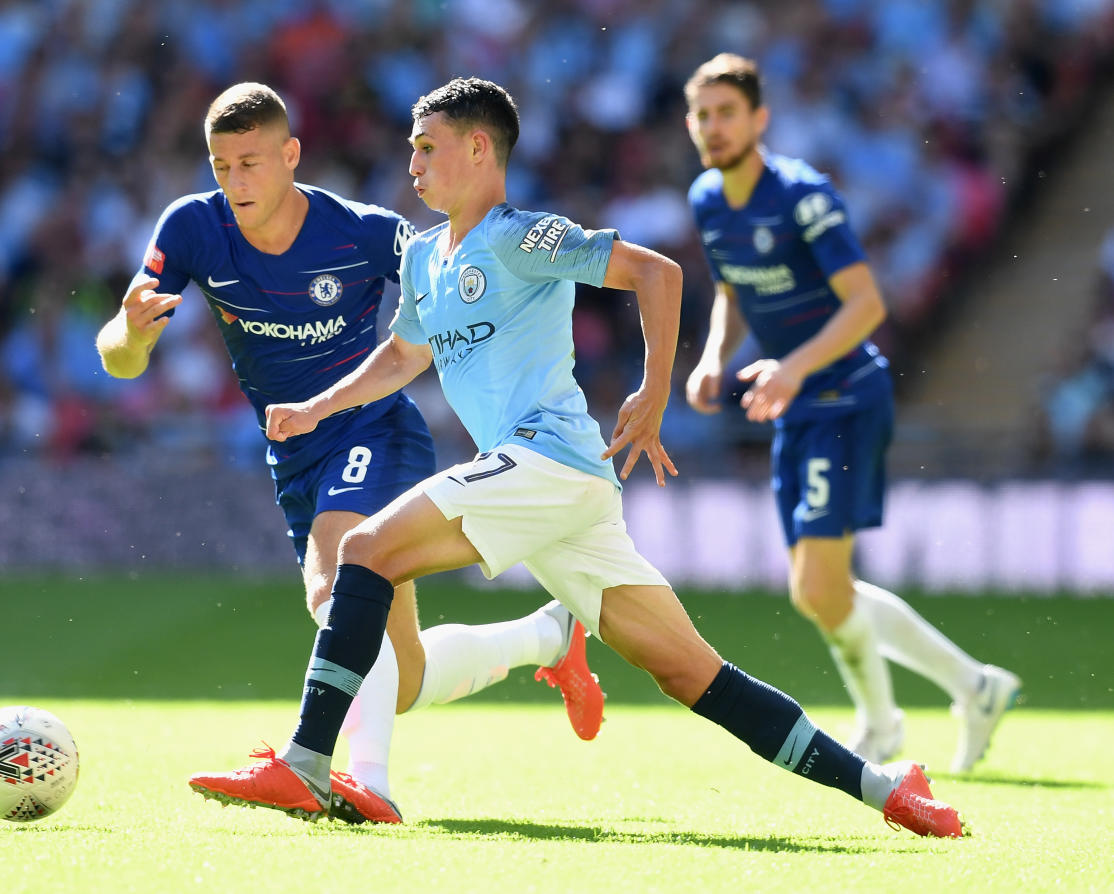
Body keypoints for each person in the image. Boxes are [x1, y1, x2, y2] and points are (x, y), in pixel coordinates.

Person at [188, 76, 965, 838]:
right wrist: (319, 407)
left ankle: (306, 760)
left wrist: (653, 391)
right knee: (691, 673)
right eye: (412, 150)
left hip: (547, 461)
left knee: (365, 549)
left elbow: (655, 274)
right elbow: (399, 356)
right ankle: (888, 788)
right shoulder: (424, 256)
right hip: (560, 495)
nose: (415, 165)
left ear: (481, 148)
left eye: (429, 149)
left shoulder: (523, 235)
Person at [95, 82, 604, 825]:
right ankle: (549, 634)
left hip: (373, 432)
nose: (236, 183)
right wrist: (133, 333)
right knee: (395, 680)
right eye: (221, 166)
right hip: (294, 454)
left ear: (291, 156)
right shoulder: (193, 228)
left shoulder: (363, 232)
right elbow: (119, 360)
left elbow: (463, 286)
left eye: (252, 163)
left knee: (333, 579)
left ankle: (365, 784)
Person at [680, 53, 1020, 773]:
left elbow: (868, 303)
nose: (712, 127)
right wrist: (714, 355)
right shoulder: (708, 198)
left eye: (726, 112)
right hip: (796, 404)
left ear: (760, 118)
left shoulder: (803, 196)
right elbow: (733, 291)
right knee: (818, 590)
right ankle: (973, 685)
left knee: (817, 588)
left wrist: (795, 365)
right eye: (701, 115)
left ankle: (884, 724)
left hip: (844, 396)